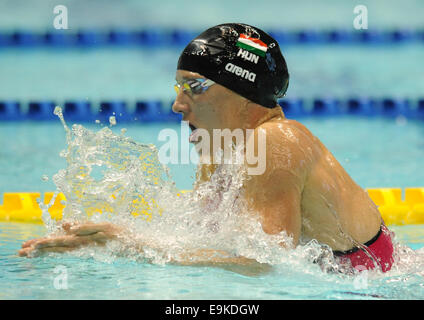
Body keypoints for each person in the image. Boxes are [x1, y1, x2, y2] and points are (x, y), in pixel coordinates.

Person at [19, 23, 394, 273]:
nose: (177, 105)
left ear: (242, 90)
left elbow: (267, 262)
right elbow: (204, 238)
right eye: (177, 88)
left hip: (378, 288)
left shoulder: (276, 141)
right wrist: (105, 240)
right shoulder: (221, 149)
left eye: (194, 87)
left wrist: (133, 245)